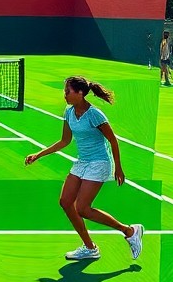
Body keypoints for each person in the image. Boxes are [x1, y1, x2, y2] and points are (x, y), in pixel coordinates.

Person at [24, 76, 144, 261]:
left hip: (99, 163)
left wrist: (118, 168)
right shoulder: (69, 112)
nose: (65, 95)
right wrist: (38, 155)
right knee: (65, 202)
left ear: (80, 93)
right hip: (83, 162)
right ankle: (90, 248)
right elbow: (65, 141)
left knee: (82, 208)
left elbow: (113, 140)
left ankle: (129, 231)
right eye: (65, 91)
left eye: (68, 92)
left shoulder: (95, 114)